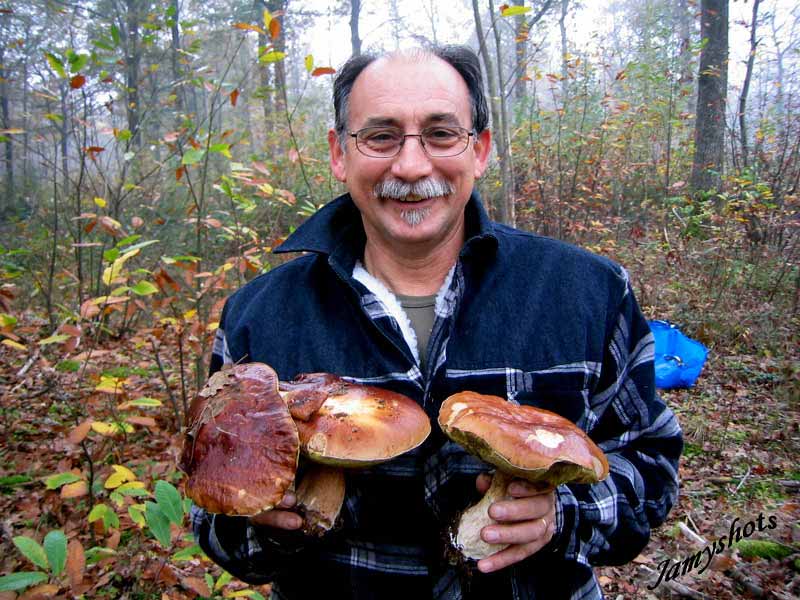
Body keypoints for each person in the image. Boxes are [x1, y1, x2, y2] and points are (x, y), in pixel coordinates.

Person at [191, 45, 682, 600]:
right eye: (380, 136)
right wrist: (258, 525)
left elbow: (651, 467)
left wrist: (563, 513)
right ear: (339, 154)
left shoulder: (588, 293)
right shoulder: (259, 315)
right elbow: (212, 517)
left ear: (480, 150)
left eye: (441, 134)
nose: (411, 166)